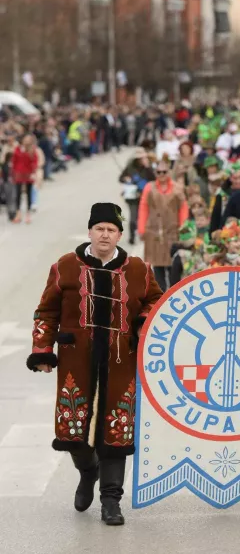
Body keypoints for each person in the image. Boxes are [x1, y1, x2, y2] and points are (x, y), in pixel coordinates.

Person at [26, 203, 162, 526]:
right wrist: (43, 349)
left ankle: (111, 500)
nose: (105, 234)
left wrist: (143, 323)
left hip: (120, 362)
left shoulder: (139, 269)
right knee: (74, 432)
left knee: (117, 430)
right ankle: (88, 472)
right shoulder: (65, 266)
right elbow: (46, 312)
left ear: (119, 235)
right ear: (90, 231)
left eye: (111, 230)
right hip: (77, 362)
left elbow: (156, 301)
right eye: (99, 228)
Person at [137, 158, 189, 292]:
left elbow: (183, 208)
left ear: (169, 172)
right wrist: (142, 228)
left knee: (173, 266)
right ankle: (161, 295)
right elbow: (143, 207)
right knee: (157, 265)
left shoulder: (177, 188)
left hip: (173, 231)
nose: (161, 175)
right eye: (158, 172)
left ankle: (174, 293)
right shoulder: (149, 187)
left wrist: (184, 229)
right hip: (154, 232)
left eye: (164, 172)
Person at [119, 148, 155, 245]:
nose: (141, 160)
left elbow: (154, 179)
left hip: (144, 196)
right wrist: (125, 178)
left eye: (142, 158)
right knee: (133, 218)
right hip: (132, 197)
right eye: (139, 158)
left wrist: (147, 167)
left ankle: (142, 232)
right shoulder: (130, 167)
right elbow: (121, 178)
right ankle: (132, 237)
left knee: (142, 217)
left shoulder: (148, 168)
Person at [11, 133, 38, 224]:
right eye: (25, 139)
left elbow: (34, 161)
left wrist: (33, 173)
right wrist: (13, 173)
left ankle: (28, 214)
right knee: (18, 194)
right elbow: (14, 161)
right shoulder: (18, 149)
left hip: (28, 174)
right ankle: (18, 213)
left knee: (28, 194)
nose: (26, 141)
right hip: (19, 173)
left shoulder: (32, 150)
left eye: (28, 139)